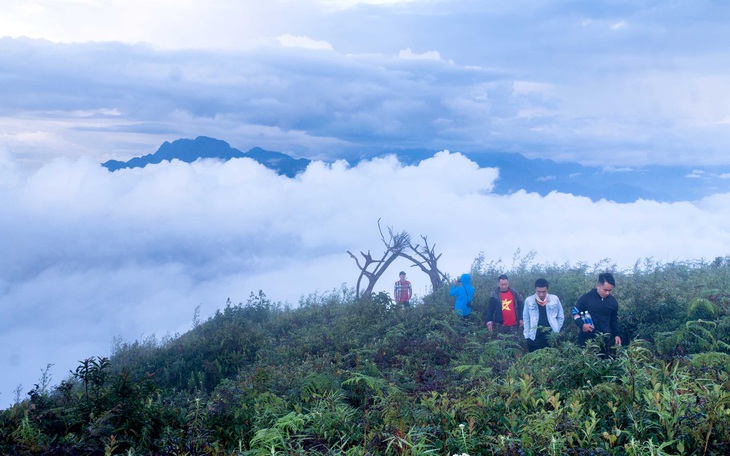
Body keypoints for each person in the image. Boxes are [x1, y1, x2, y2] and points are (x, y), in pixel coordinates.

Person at [573, 272, 622, 355]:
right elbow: (575, 313)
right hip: (587, 341)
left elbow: (613, 319)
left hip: (604, 341)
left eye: (610, 290)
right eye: (605, 290)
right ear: (598, 286)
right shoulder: (586, 298)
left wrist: (617, 334)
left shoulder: (612, 302)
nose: (607, 293)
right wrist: (582, 325)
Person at [523, 278, 564, 351]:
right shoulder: (529, 300)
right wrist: (527, 335)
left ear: (547, 289)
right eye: (539, 292)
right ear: (535, 289)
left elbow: (560, 317)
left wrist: (556, 331)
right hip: (534, 337)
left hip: (551, 336)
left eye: (544, 292)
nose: (541, 294)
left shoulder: (555, 299)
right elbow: (526, 318)